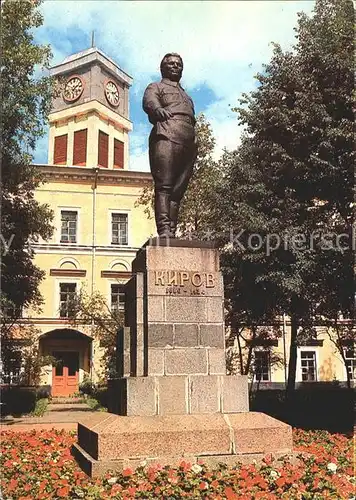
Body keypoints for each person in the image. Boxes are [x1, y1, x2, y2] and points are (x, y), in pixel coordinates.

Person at [142, 53, 197, 237]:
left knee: (178, 190)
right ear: (163, 68)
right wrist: (157, 109)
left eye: (179, 64)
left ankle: (172, 231)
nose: (175, 66)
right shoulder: (156, 86)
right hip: (166, 134)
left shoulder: (187, 96)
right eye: (171, 64)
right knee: (164, 186)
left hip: (188, 141)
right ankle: (164, 229)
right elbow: (149, 101)